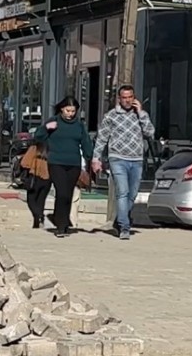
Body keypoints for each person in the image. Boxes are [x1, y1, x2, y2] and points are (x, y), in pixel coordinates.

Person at [94, 85, 156, 240]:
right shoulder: (111, 116)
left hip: (137, 159)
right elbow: (102, 137)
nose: (128, 100)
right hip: (118, 158)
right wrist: (96, 158)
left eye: (130, 97)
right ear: (119, 98)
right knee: (122, 192)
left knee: (132, 194)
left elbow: (150, 132)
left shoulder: (141, 115)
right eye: (124, 97)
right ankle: (124, 227)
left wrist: (141, 112)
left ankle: (119, 220)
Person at [33, 96, 94, 238]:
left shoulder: (79, 126)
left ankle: (64, 223)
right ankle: (60, 225)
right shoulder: (53, 122)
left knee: (68, 194)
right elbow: (38, 136)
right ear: (61, 109)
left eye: (73, 111)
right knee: (61, 193)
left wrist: (90, 157)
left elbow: (86, 142)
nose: (70, 114)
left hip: (73, 164)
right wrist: (46, 128)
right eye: (68, 110)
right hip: (56, 162)